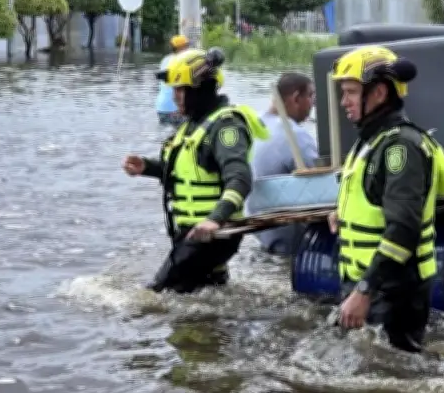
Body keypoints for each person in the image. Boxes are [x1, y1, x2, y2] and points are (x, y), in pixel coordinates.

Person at [328, 45, 444, 352]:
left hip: (392, 290)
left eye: (351, 93)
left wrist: (364, 290)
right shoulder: (373, 140)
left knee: (396, 373)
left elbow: (403, 230)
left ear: (380, 93)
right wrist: (342, 213)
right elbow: (374, 203)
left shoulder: (401, 148)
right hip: (372, 284)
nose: (344, 102)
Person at [122, 47, 270, 293]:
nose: (175, 97)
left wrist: (215, 219)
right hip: (194, 233)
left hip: (212, 234)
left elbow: (240, 179)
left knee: (156, 295)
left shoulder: (225, 127)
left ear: (200, 88)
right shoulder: (193, 125)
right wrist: (147, 167)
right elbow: (189, 173)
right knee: (205, 294)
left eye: (181, 90)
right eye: (174, 90)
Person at [247, 72, 319, 255]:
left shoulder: (254, 124)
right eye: (310, 96)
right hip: (289, 238)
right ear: (296, 98)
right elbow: (319, 184)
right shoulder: (296, 135)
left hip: (259, 229)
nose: (313, 104)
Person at [155, 35, 191, 125]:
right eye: (186, 46)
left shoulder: (165, 59)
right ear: (181, 47)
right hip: (174, 109)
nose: (188, 48)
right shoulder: (181, 61)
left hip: (161, 107)